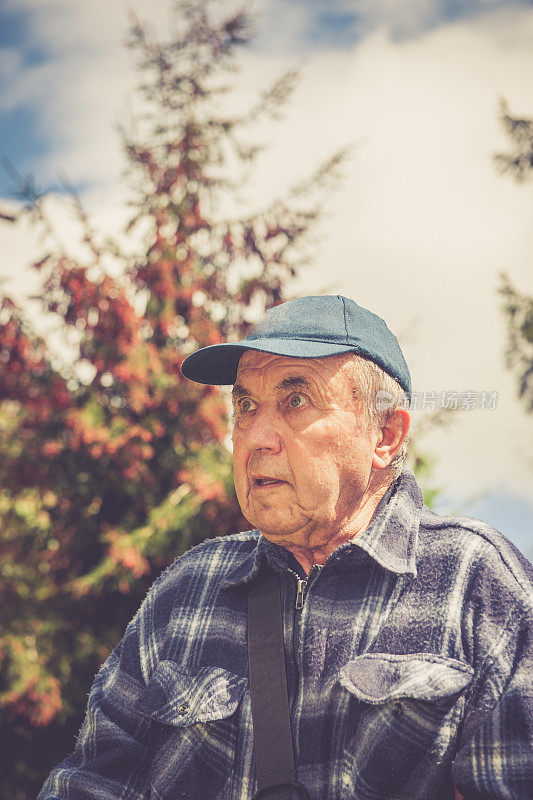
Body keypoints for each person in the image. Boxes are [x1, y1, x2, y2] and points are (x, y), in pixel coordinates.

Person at [39, 295, 532, 800]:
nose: (255, 437)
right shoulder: (187, 592)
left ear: (385, 434)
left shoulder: (477, 585)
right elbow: (89, 784)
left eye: (296, 400)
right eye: (246, 406)